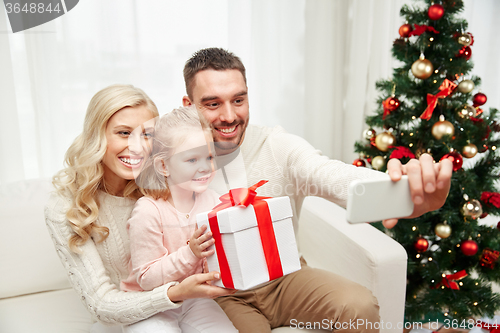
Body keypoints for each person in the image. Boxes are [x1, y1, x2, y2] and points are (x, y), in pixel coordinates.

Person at [181, 47, 453, 333]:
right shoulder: (174, 159)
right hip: (222, 293)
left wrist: (406, 196)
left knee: (357, 305)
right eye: (212, 104)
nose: (229, 116)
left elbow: (331, 175)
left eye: (239, 100)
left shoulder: (275, 144)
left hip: (285, 279)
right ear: (188, 105)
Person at [45, 84, 235, 331]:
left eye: (146, 135)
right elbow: (100, 303)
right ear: (97, 136)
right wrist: (174, 293)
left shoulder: (167, 183)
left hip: (189, 301)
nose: (137, 147)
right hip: (123, 317)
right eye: (123, 133)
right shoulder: (67, 207)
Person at [120, 106, 237, 332]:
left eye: (209, 156)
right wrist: (190, 253)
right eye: (192, 159)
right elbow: (146, 279)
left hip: (195, 299)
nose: (205, 167)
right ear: (163, 166)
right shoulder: (148, 211)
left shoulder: (212, 200)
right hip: (149, 303)